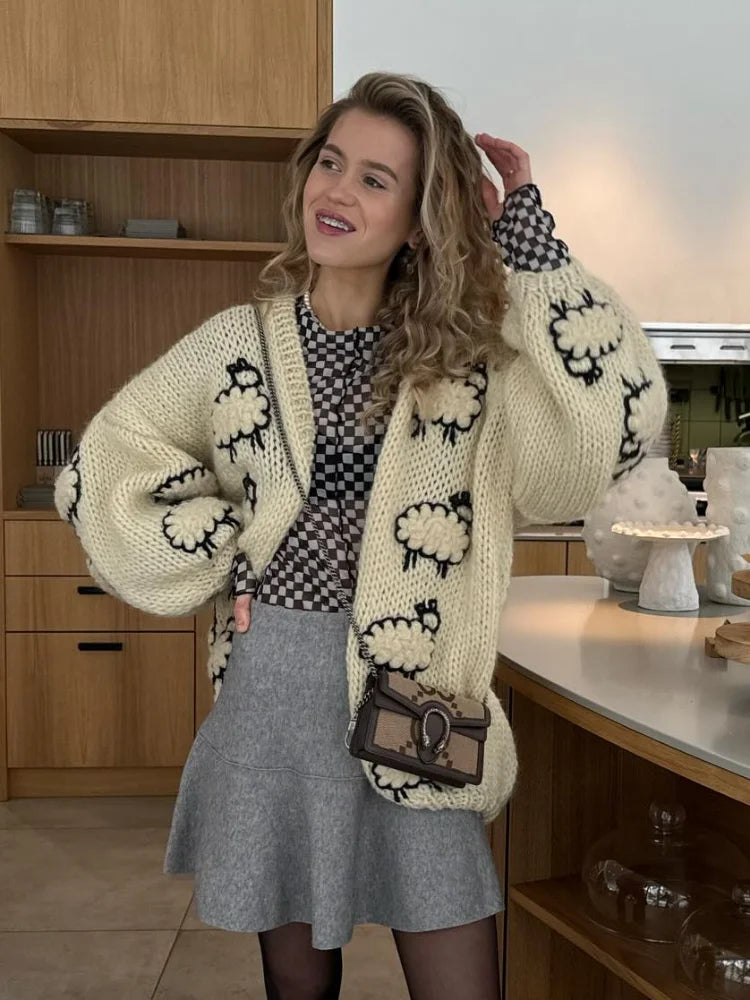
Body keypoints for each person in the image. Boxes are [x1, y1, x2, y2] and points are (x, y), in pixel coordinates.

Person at [54, 72, 668, 999]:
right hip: (274, 689)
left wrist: (534, 251)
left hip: (417, 699)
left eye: (376, 179)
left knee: (459, 970)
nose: (337, 191)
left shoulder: (471, 365)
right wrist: (225, 544)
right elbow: (106, 462)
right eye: (331, 163)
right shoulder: (234, 345)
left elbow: (609, 430)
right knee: (297, 981)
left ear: (419, 221)